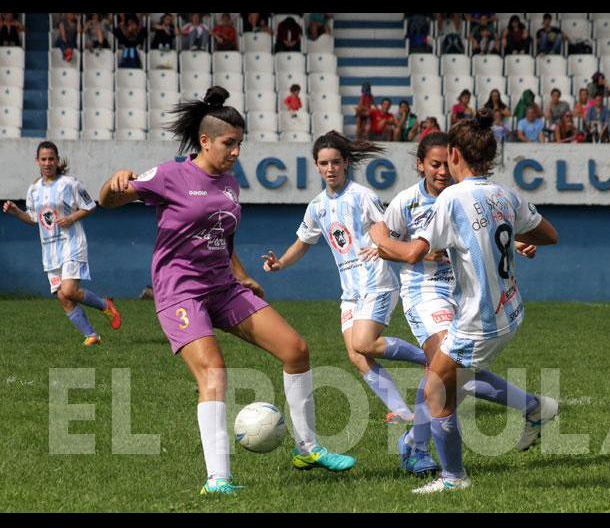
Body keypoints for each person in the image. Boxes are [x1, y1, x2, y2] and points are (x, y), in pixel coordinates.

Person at [96, 87, 356, 495]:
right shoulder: (170, 175)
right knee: (215, 373)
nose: (236, 151)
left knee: (296, 350)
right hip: (181, 292)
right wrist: (113, 185)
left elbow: (221, 236)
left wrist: (242, 274)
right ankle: (218, 478)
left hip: (223, 286)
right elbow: (107, 202)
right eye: (228, 143)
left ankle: (308, 449)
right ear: (205, 141)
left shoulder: (230, 185)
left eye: (240, 143)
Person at [367, 109, 560, 494]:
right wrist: (508, 239)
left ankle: (451, 475)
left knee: (436, 390)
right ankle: (427, 447)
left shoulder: (451, 200)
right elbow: (549, 235)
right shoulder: (505, 193)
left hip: (478, 319)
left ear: (455, 154)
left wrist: (379, 236)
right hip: (510, 311)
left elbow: (409, 254)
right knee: (442, 382)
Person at [262, 131, 432, 427]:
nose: (330, 169)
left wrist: (388, 248)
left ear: (346, 163)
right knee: (356, 354)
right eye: (324, 163)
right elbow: (303, 241)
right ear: (316, 166)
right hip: (350, 293)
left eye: (336, 162)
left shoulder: (362, 196)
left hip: (377, 282)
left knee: (364, 343)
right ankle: (405, 413)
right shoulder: (316, 206)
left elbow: (391, 230)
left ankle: (431, 358)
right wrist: (280, 265)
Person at [3, 141, 122, 346]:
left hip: (71, 243)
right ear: (37, 161)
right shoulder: (33, 190)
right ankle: (91, 336)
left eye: (51, 159)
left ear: (57, 161)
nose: (47, 163)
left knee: (69, 290)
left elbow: (90, 206)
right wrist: (16, 212)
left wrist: (71, 218)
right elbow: (34, 219)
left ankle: (105, 305)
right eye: (43, 159)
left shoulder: (70, 183)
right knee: (63, 297)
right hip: (50, 251)